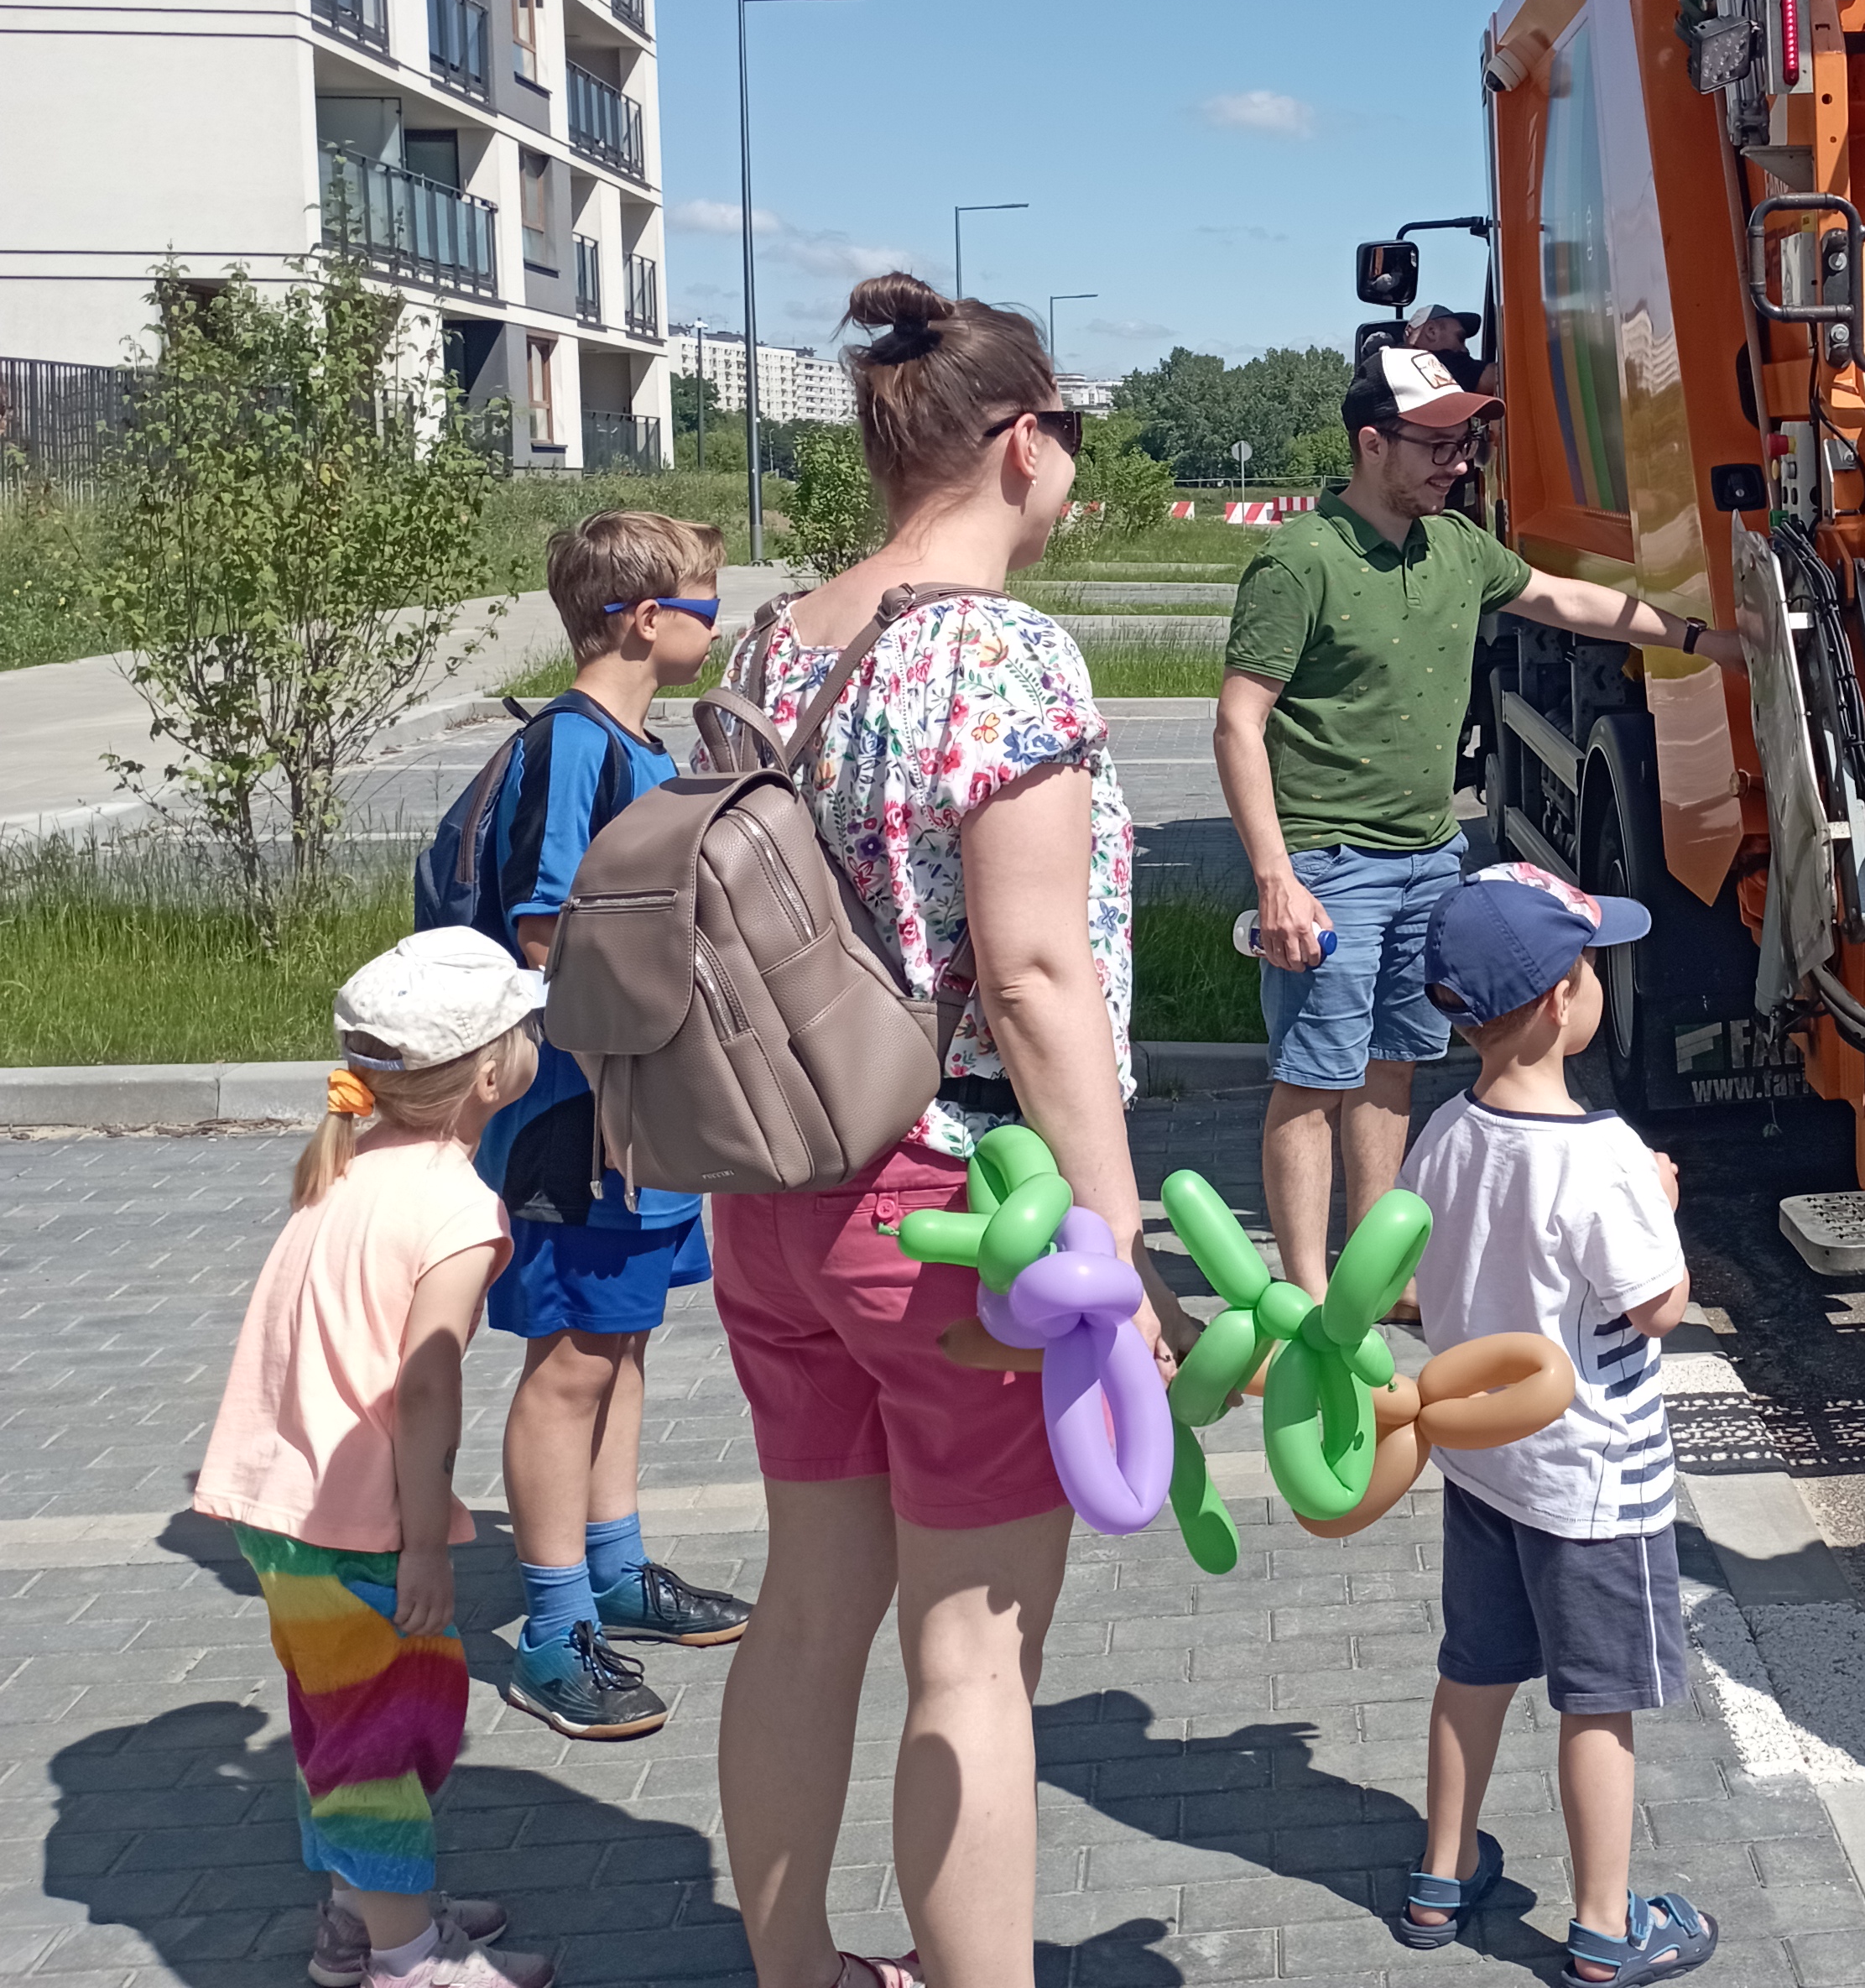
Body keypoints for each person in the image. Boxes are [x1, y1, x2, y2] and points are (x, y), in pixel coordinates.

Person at [706, 274, 1181, 1988]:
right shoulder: (996, 653)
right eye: (1071, 439)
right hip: (953, 1215)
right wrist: (1117, 1235)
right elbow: (1037, 972)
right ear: (1022, 443)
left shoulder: (784, 637)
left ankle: (796, 1969)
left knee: (807, 1610)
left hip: (772, 1191)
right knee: (974, 1659)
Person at [1214, 344, 1746, 1301]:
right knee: (1313, 1080)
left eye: (1466, 441)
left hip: (1428, 856)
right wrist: (1275, 877)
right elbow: (1238, 723)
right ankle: (1301, 1297)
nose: (1459, 461)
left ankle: (1375, 1280)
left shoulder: (1456, 547)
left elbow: (1566, 600)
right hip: (1328, 864)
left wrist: (1704, 641)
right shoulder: (1299, 563)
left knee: (1395, 1068)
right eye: (1436, 443)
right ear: (1372, 443)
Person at [193, 930, 551, 1988]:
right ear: (492, 1073)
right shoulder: (455, 1207)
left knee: (346, 1716)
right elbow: (426, 1385)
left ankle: (364, 1917)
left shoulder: (343, 1170)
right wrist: (427, 1540)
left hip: (285, 1507)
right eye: (524, 1026)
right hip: (358, 1519)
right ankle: (404, 1959)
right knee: (384, 1743)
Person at [1390, 865, 1717, 1985]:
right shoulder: (1606, 1157)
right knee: (1599, 1701)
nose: (1597, 986)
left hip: (1483, 1464)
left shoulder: (1444, 1133)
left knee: (1471, 1666)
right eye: (1588, 969)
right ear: (1553, 1006)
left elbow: (1419, 1282)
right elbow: (1657, 1307)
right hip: (1591, 1483)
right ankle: (1604, 1928)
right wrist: (1663, 1208)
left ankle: (1441, 1874)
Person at [471, 513, 750, 1740]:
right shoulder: (572, 749)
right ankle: (550, 1626)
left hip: (645, 1111)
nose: (715, 622)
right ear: (643, 619)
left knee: (623, 1347)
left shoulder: (639, 743)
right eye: (702, 602)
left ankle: (618, 1566)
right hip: (580, 1112)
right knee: (570, 1359)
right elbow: (548, 937)